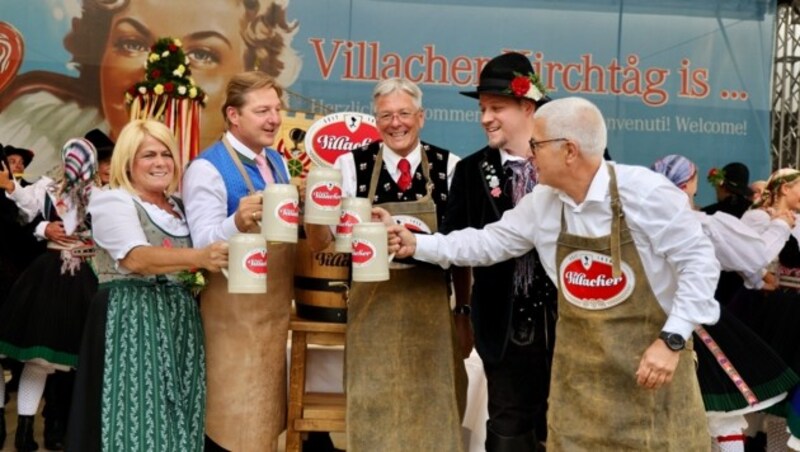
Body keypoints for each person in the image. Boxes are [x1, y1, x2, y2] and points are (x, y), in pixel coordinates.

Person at [387, 96, 721, 450]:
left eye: (537, 145)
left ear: (570, 151)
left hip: (651, 377)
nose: (530, 155)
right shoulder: (543, 203)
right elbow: (488, 243)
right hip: (580, 389)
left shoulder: (647, 194)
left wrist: (672, 338)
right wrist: (418, 245)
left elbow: (699, 264)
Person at [306, 77, 466, 451]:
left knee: (434, 416)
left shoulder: (449, 167)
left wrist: (465, 314)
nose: (396, 123)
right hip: (370, 316)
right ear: (376, 121)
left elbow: (462, 252)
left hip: (433, 321)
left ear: (422, 117)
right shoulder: (349, 166)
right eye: (386, 115)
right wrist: (314, 210)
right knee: (373, 414)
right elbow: (321, 245)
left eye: (404, 113)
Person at [66, 119, 228, 452]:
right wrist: (200, 255)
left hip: (179, 320)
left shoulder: (178, 207)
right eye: (148, 155)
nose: (160, 163)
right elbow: (136, 258)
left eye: (166, 154)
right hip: (131, 319)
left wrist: (238, 223)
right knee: (135, 414)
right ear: (128, 162)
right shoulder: (114, 201)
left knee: (179, 411)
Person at [0, 0, 301, 179]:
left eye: (203, 54)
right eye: (132, 44)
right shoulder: (34, 127)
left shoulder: (264, 166)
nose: (157, 75)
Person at [440, 52, 556, 452]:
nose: (486, 117)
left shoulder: (570, 158)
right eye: (482, 108)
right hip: (503, 320)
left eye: (496, 107)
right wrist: (462, 312)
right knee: (508, 418)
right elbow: (453, 244)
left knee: (567, 417)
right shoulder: (471, 170)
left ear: (528, 106)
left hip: (568, 317)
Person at [652, 155, 799, 452]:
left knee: (662, 407)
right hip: (691, 321)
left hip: (647, 321)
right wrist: (780, 228)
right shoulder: (702, 224)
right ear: (689, 185)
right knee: (720, 412)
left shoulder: (636, 222)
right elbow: (753, 258)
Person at [182, 71, 294, 451]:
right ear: (233, 115)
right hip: (230, 320)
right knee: (227, 423)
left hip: (271, 317)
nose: (274, 118)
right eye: (262, 110)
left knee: (263, 421)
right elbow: (202, 246)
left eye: (276, 109)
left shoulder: (277, 161)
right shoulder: (207, 168)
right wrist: (236, 222)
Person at [0, 137, 101, 451]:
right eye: (72, 157)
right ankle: (24, 430)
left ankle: (71, 427)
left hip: (84, 274)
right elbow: (25, 213)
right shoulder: (46, 188)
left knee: (74, 360)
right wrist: (45, 229)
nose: (76, 163)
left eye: (83, 158)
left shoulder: (103, 196)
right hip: (48, 273)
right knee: (37, 357)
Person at [737, 168, 800, 450]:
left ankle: (778, 442)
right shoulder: (759, 218)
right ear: (785, 189)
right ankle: (760, 441)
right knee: (773, 380)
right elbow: (744, 257)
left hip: (787, 308)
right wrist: (762, 277)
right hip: (777, 309)